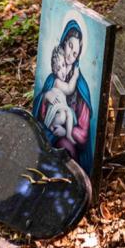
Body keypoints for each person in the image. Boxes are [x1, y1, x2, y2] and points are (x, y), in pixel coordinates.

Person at [33, 20, 93, 173]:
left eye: (75, 53)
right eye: (70, 46)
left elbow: (84, 132)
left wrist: (66, 131)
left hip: (67, 134)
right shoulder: (53, 78)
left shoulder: (80, 85)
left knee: (67, 149)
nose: (70, 55)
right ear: (64, 42)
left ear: (78, 57)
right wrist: (46, 96)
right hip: (50, 127)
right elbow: (38, 109)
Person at [43, 46, 78, 149]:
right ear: (54, 71)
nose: (62, 70)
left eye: (63, 65)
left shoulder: (59, 78)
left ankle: (68, 134)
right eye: (58, 68)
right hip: (56, 110)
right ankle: (52, 127)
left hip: (62, 109)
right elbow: (69, 89)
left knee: (68, 113)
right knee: (63, 115)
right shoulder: (57, 82)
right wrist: (75, 76)